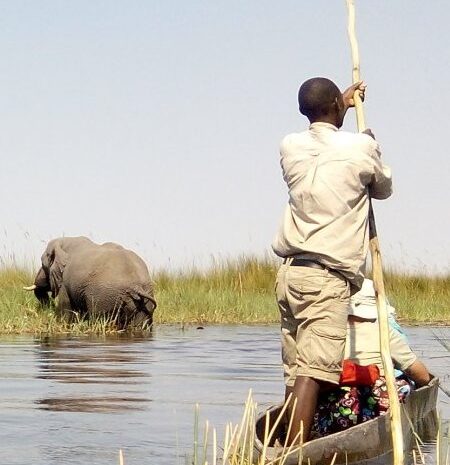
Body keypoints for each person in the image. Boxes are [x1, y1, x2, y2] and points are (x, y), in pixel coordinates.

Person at [272, 77, 393, 444]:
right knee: (313, 372)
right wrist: (370, 142)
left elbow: (325, 142)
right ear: (337, 108)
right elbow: (383, 189)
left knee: (296, 373)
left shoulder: (290, 146)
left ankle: (280, 441)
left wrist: (340, 105)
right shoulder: (360, 148)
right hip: (327, 278)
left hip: (290, 275)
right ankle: (294, 453)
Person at [313, 278, 431, 436]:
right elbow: (418, 373)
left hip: (335, 410)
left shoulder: (328, 333)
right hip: (373, 407)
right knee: (403, 384)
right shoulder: (385, 332)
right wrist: (427, 383)